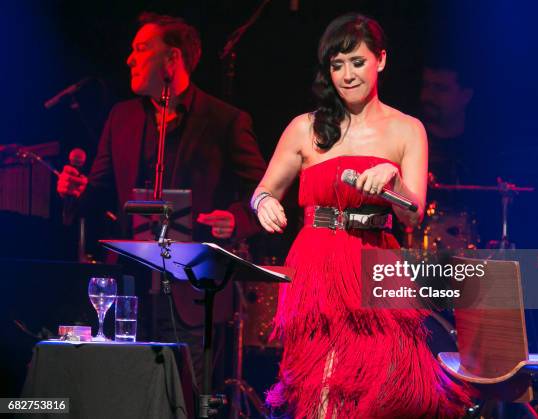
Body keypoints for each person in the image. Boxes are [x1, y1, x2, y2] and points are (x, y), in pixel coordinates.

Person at [251, 13, 471, 418]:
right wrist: (263, 202)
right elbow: (264, 189)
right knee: (322, 382)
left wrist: (394, 182)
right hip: (318, 264)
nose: (347, 75)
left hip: (375, 263)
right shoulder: (306, 127)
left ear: (381, 60)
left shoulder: (408, 130)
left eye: (357, 62)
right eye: (337, 65)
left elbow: (412, 215)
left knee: (384, 386)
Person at [56, 12, 266, 383]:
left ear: (172, 59)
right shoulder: (121, 117)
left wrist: (236, 218)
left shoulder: (225, 120)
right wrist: (74, 192)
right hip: (129, 289)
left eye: (141, 49)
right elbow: (98, 194)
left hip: (194, 293)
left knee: (182, 395)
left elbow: (262, 194)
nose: (129, 59)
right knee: (123, 393)